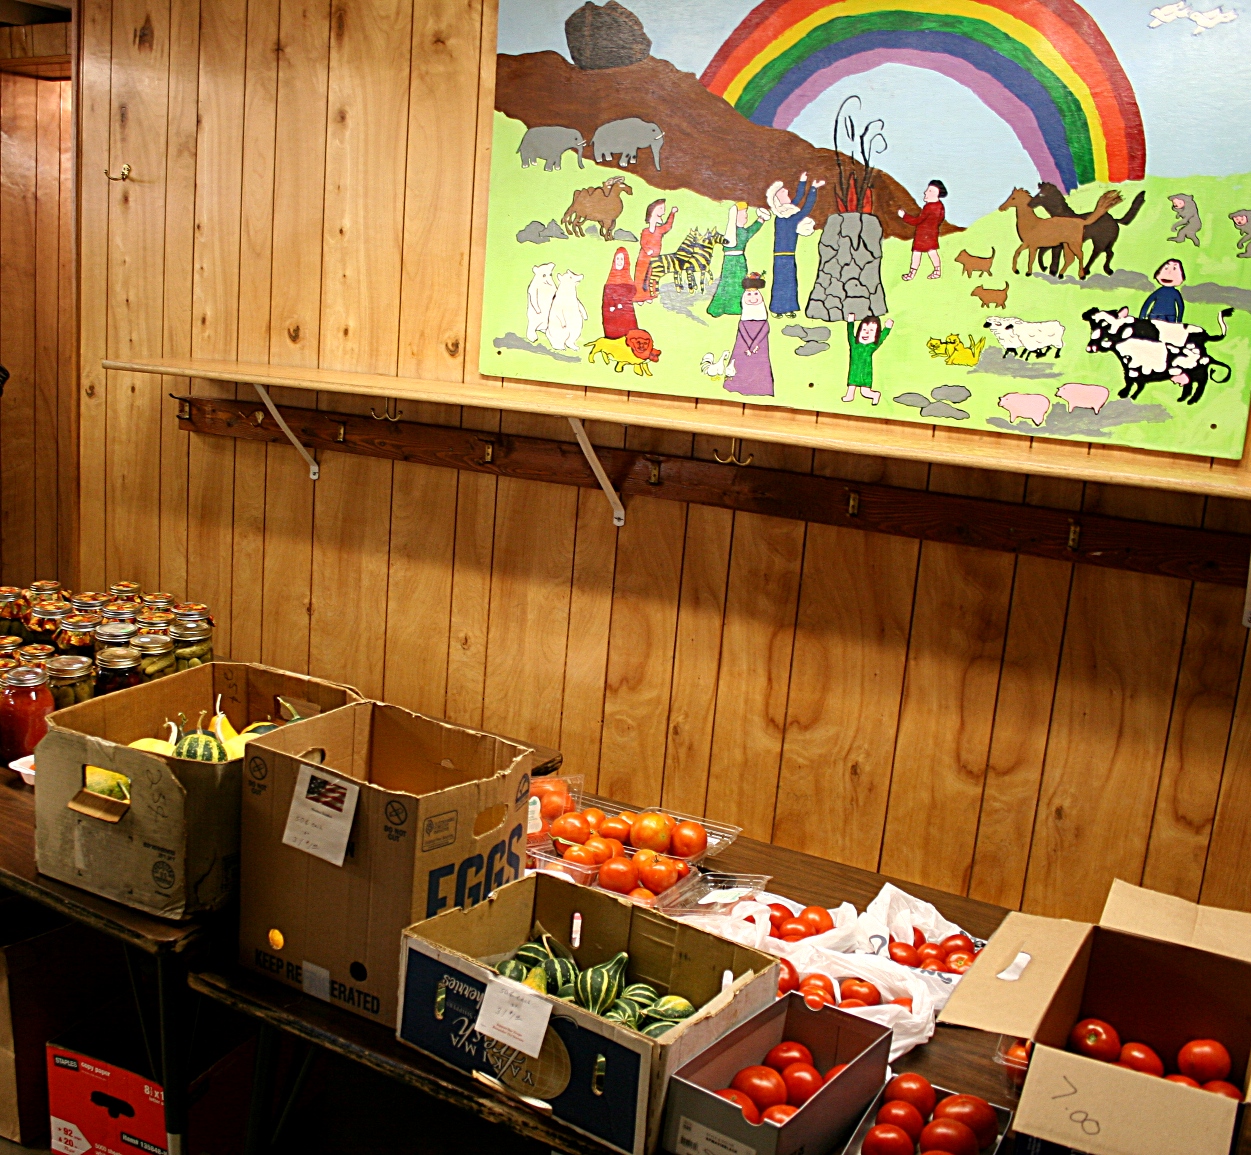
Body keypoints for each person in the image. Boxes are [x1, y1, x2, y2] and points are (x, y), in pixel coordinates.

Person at [766, 173, 823, 317]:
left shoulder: (787, 213)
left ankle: (788, 308)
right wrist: (813, 189)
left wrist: (804, 182)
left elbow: (798, 199)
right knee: (782, 283)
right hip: (782, 257)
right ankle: (778, 309)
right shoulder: (787, 217)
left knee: (790, 282)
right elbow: (806, 207)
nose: (786, 191)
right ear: (778, 199)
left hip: (787, 256)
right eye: (783, 192)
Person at [707, 201, 769, 318]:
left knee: (740, 282)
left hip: (740, 260)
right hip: (730, 261)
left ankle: (737, 306)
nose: (746, 216)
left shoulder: (742, 231)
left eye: (746, 213)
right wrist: (761, 219)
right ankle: (721, 306)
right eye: (743, 214)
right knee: (727, 282)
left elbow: (752, 230)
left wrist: (761, 219)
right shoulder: (731, 232)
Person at [725, 273, 773, 396]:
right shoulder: (744, 318)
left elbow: (765, 329)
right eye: (749, 294)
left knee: (759, 364)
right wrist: (750, 345)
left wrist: (754, 345)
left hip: (759, 347)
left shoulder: (762, 318)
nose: (752, 298)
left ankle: (761, 387)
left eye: (756, 294)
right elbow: (742, 329)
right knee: (741, 363)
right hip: (744, 347)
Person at [898, 180, 947, 280]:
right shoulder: (940, 206)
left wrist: (904, 216)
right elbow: (940, 219)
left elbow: (917, 221)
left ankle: (912, 274)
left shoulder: (928, 207)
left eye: (930, 191)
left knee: (917, 253)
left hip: (922, 234)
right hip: (932, 233)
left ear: (936, 193)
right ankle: (937, 271)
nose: (925, 192)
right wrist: (933, 227)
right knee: (932, 251)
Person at [842, 312, 893, 405]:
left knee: (865, 392)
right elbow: (850, 333)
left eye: (871, 330)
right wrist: (850, 321)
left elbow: (882, 338)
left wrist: (887, 328)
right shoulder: (854, 344)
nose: (867, 332)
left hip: (866, 372)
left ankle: (875, 395)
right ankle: (849, 396)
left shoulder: (871, 346)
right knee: (851, 385)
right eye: (864, 329)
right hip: (854, 371)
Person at [633, 199, 677, 303]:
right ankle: (639, 296)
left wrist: (672, 213)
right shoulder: (645, 231)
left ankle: (649, 295)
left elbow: (668, 226)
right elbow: (643, 242)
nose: (663, 212)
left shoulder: (659, 230)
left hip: (655, 258)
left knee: (652, 275)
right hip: (644, 258)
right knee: (641, 276)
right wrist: (647, 250)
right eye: (661, 208)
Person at [601, 247, 638, 338]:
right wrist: (612, 304)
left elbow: (632, 292)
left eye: (622, 259)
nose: (619, 261)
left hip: (624, 310)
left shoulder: (627, 278)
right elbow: (607, 295)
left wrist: (622, 302)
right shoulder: (611, 278)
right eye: (618, 258)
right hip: (612, 310)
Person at [1140, 258, 1186, 323]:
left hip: (1170, 317)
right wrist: (1142, 316)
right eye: (1166, 268)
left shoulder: (1175, 293)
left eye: (1174, 269)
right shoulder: (1159, 291)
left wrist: (1179, 320)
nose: (1169, 273)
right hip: (1155, 315)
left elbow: (1181, 306)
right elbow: (1148, 302)